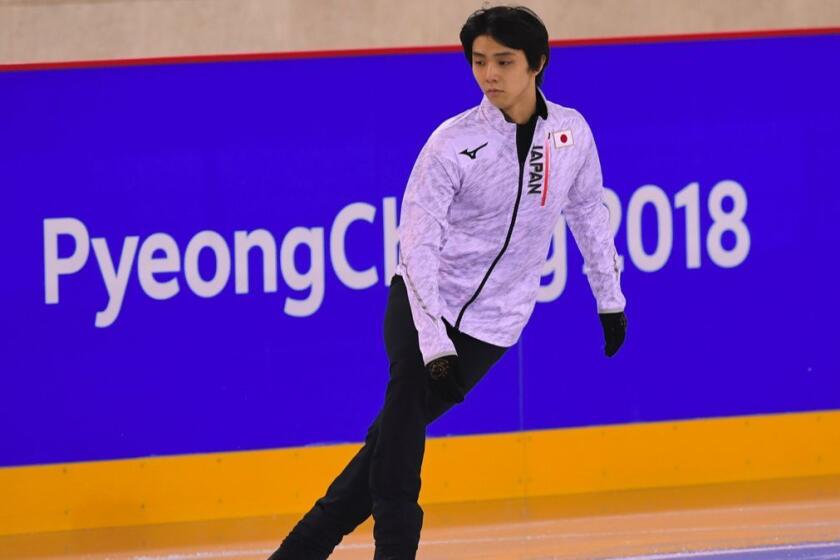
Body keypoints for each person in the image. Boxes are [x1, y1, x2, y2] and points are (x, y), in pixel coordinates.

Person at [268, 5, 627, 559]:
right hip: (421, 305)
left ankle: (297, 552)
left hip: (494, 325)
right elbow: (417, 246)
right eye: (479, 61)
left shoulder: (571, 134)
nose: (489, 74)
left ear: (538, 63)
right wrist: (432, 342)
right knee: (404, 431)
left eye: (503, 61)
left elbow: (588, 214)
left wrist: (609, 299)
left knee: (389, 438)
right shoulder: (452, 143)